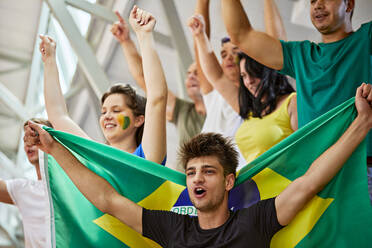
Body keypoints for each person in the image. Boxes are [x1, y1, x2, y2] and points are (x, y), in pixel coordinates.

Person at [24, 83, 372, 247]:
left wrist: (361, 125)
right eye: (191, 172)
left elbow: (310, 182)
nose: (196, 179)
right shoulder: (173, 229)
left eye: (207, 171)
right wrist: (54, 150)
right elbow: (107, 201)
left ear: (229, 182)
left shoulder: (256, 222)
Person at [221, 0, 372, 200]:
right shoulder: (300, 56)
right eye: (312, 1)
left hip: (362, 172)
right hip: (313, 180)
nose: (317, 5)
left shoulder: (366, 39)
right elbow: (241, 34)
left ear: (349, 5)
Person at [39, 6, 167, 165]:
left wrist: (144, 35)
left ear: (139, 120)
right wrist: (50, 61)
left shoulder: (147, 156)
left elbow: (157, 99)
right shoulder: (95, 157)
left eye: (116, 110)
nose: (106, 116)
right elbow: (58, 116)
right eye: (104, 111)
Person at [189, 0, 297, 163]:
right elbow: (216, 76)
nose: (249, 82)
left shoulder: (292, 102)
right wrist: (200, 36)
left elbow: (309, 151)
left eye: (254, 74)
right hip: (249, 186)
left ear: (268, 71)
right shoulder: (249, 108)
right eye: (244, 76)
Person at [110, 4, 207, 149]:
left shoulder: (227, 103)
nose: (191, 77)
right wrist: (125, 41)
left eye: (197, 73)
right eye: (188, 74)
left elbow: (201, 46)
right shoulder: (183, 112)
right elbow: (145, 78)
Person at [0, 118, 52, 248]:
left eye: (34, 136)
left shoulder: (71, 185)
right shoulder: (23, 189)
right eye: (25, 138)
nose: (28, 143)